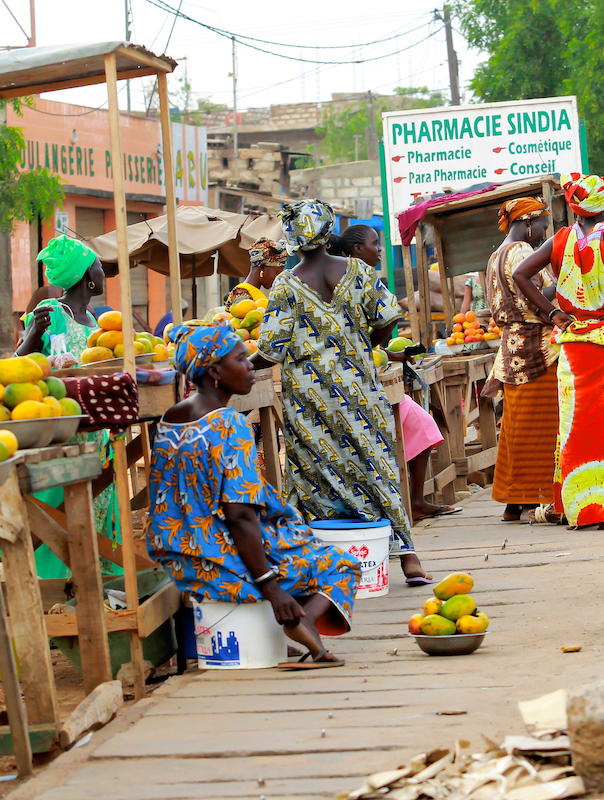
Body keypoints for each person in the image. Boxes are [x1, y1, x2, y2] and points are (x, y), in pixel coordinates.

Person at [150, 321, 360, 667]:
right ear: (215, 370)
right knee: (342, 566)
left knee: (296, 541)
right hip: (223, 563)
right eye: (241, 359)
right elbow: (240, 516)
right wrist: (272, 588)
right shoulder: (229, 425)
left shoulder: (172, 418)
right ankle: (300, 619)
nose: (251, 365)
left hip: (180, 555)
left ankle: (282, 627)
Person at [258, 200, 429, 582]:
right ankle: (407, 556)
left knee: (317, 471)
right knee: (376, 464)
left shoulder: (286, 283)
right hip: (359, 389)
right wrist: (363, 342)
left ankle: (324, 558)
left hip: (308, 398)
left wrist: (225, 364)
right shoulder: (359, 271)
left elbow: (270, 349)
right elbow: (388, 320)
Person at [512, 174, 604, 529]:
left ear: (572, 208)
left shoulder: (560, 239)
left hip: (572, 345)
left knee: (575, 426)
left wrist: (552, 312)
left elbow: (521, 275)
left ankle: (573, 507)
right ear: (602, 205)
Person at [327, 225, 459, 522]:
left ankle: (415, 500)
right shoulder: (356, 277)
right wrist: (368, 346)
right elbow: (383, 320)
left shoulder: (344, 276)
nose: (379, 250)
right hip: (359, 381)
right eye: (375, 244)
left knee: (422, 425)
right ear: (357, 250)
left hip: (366, 372)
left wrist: (392, 354)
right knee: (413, 428)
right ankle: (405, 503)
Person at [15, 236, 118, 579]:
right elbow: (18, 365)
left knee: (96, 511)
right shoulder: (51, 314)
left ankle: (96, 586)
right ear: (87, 275)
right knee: (62, 516)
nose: (104, 273)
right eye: (100, 267)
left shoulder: (93, 319)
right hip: (64, 436)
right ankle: (58, 591)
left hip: (99, 435)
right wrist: (32, 334)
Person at [478, 197, 558, 523]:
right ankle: (534, 500)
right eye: (541, 226)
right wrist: (564, 284)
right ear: (527, 222)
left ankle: (514, 501)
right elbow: (535, 296)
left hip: (511, 349)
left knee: (514, 426)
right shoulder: (523, 252)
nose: (542, 233)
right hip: (537, 347)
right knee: (541, 425)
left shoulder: (495, 255)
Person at [226, 238, 286, 309]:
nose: (278, 278)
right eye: (277, 273)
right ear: (262, 267)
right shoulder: (242, 294)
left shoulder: (250, 293)